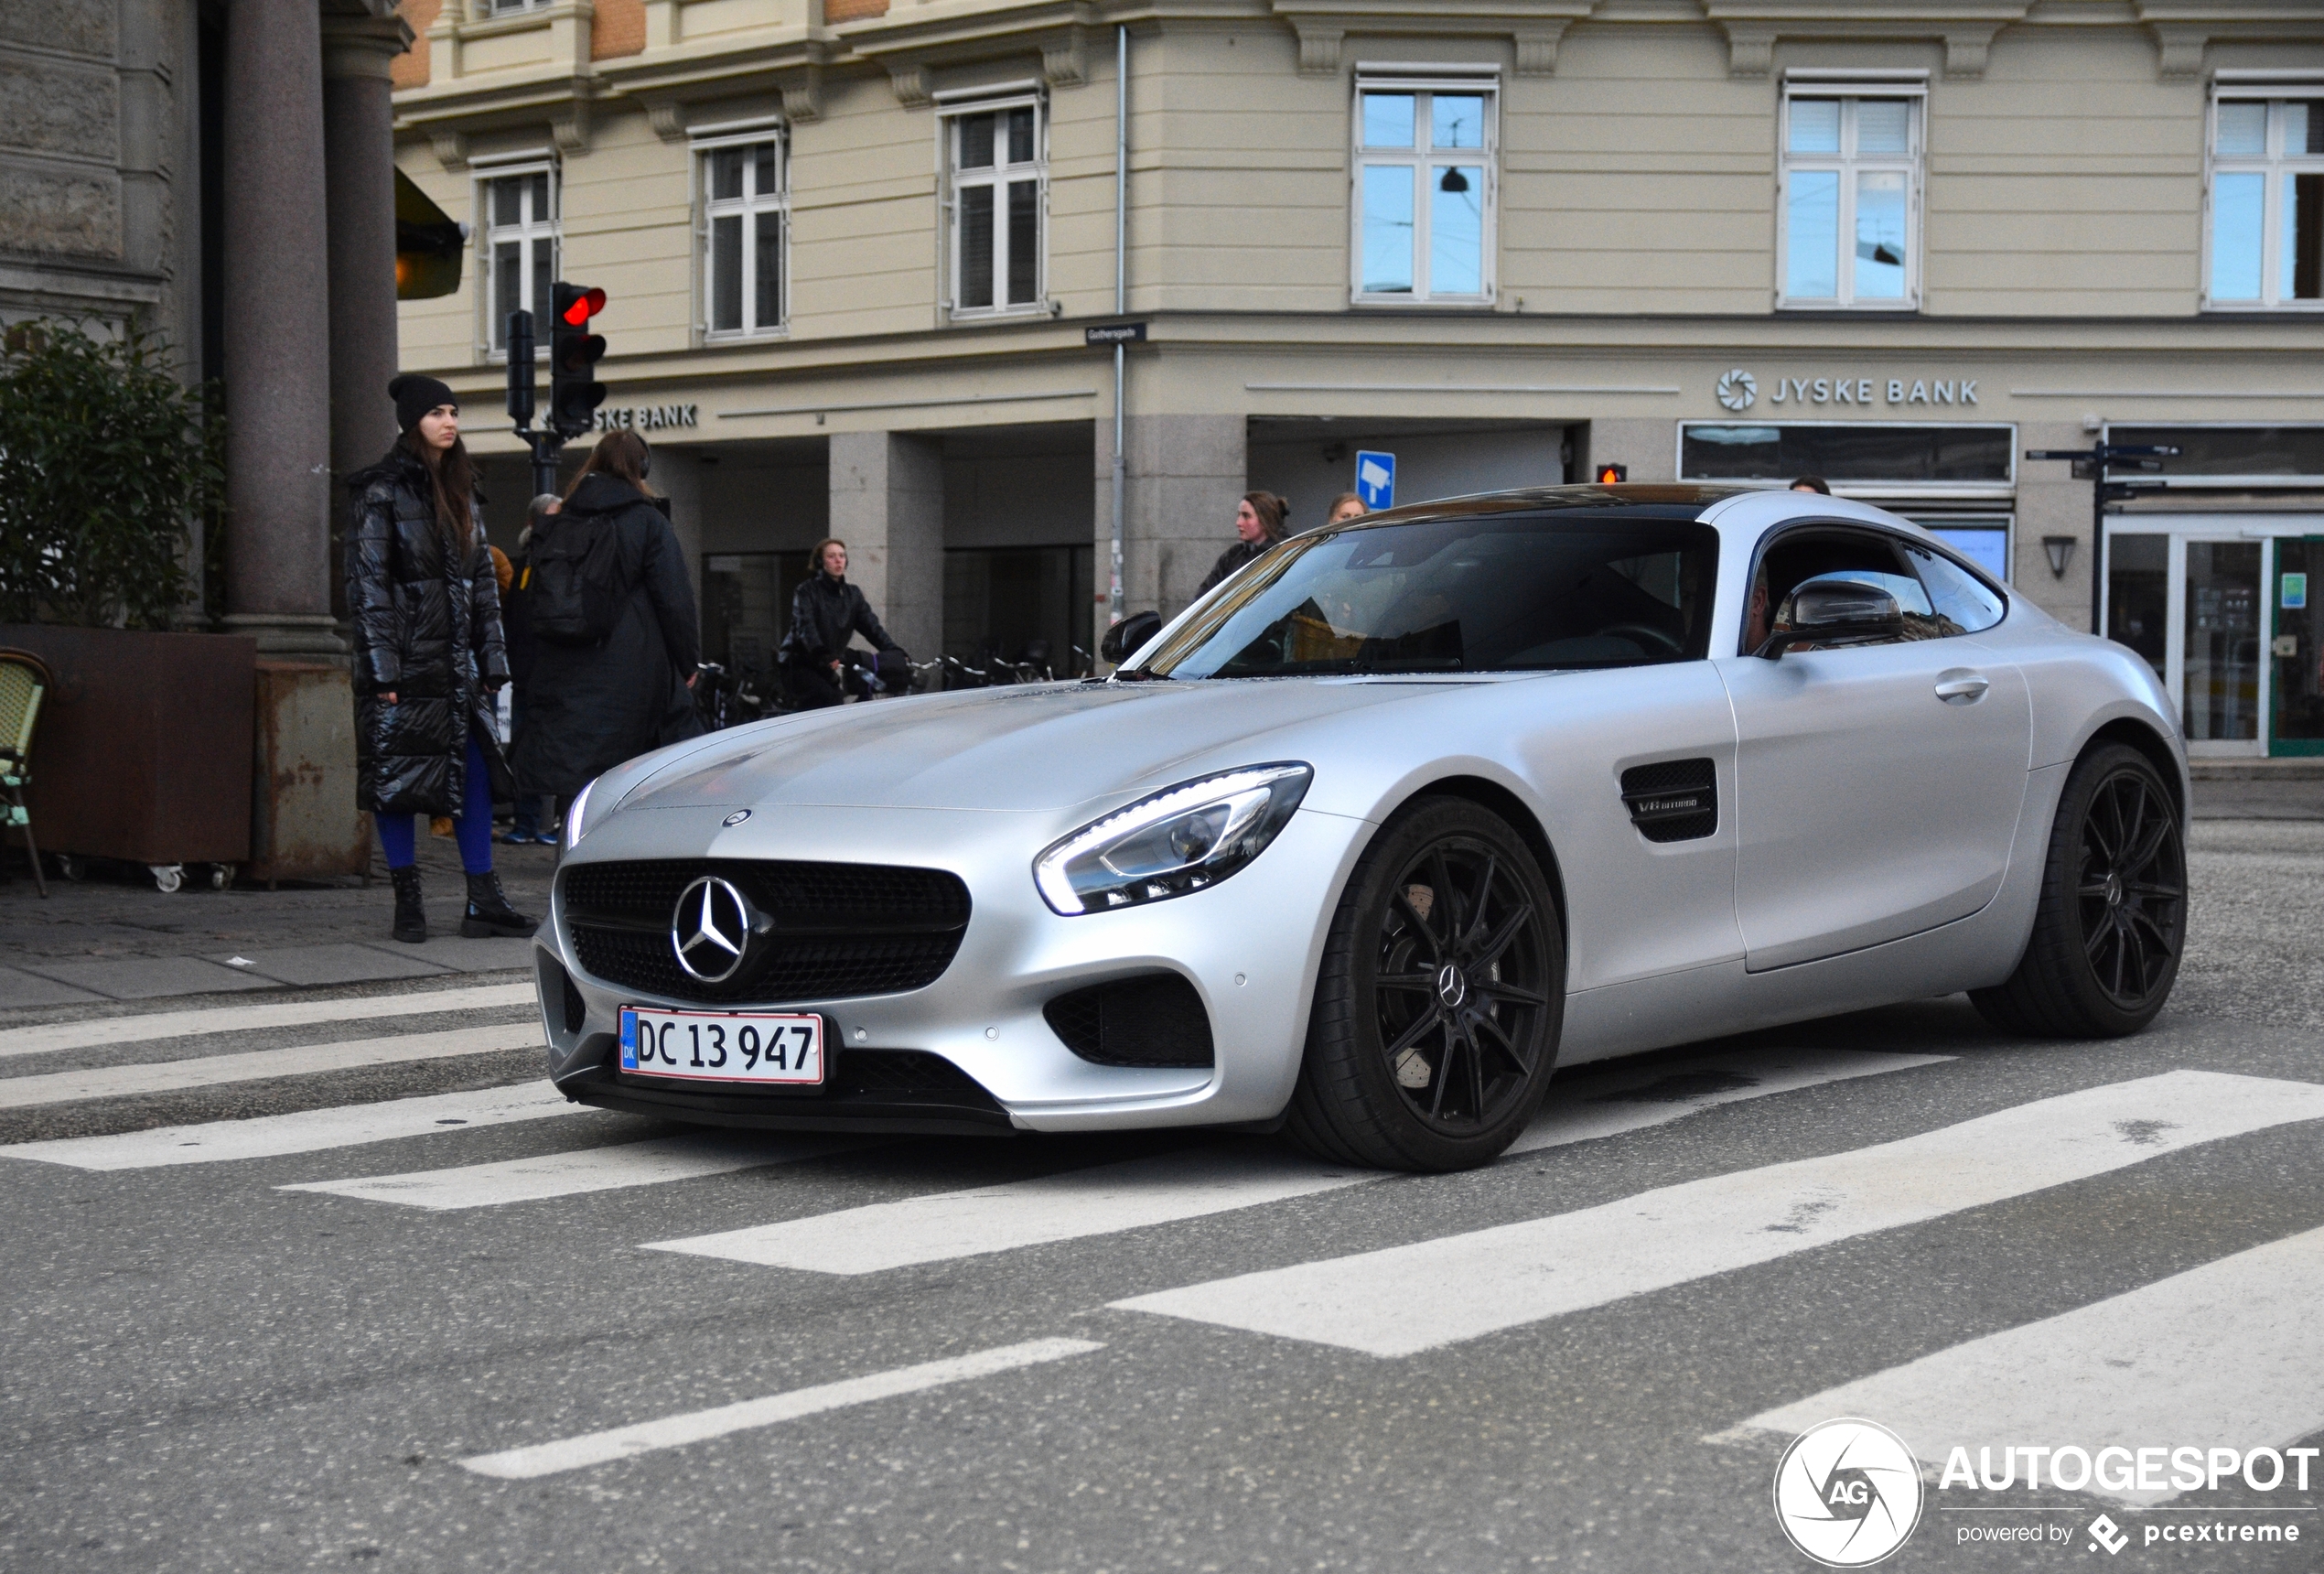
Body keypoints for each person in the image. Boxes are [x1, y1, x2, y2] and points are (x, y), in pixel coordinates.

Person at [345, 373, 535, 944]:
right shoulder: (379, 491)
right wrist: (383, 672)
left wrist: (493, 660)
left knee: (476, 771)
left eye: (453, 412)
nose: (449, 421)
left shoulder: (465, 490)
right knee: (395, 777)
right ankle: (408, 900)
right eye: (437, 413)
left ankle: (482, 900)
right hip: (404, 663)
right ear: (412, 423)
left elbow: (482, 583)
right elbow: (368, 586)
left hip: (457, 669)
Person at [513, 431, 704, 817]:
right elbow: (675, 599)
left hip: (563, 667)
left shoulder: (561, 518)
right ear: (642, 467)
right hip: (629, 665)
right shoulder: (646, 520)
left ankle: (573, 848)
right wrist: (688, 662)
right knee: (630, 772)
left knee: (578, 774)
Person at [496, 494, 559, 845]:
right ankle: (528, 821)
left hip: (544, 674)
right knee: (524, 747)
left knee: (547, 748)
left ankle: (539, 822)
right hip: (528, 673)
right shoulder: (528, 564)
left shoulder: (544, 562)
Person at [780, 538, 905, 709]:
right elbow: (806, 626)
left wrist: (894, 651)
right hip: (799, 664)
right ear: (820, 562)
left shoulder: (852, 595)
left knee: (838, 705)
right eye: (831, 556)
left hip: (826, 666)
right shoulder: (807, 591)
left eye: (841, 556)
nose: (838, 560)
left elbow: (871, 627)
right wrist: (821, 652)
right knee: (825, 699)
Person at [1196, 491, 1289, 596]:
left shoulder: (1286, 553)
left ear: (1265, 520)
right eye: (1239, 515)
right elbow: (1205, 594)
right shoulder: (1232, 555)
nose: (1238, 523)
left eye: (1246, 516)